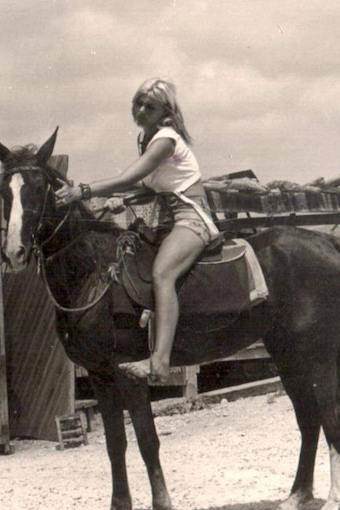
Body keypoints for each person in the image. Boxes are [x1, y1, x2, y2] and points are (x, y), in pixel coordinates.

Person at [54, 77, 219, 382]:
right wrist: (122, 202)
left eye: (150, 106)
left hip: (191, 221)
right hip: (168, 222)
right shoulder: (149, 138)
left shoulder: (165, 139)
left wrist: (83, 191)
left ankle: (159, 361)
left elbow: (129, 177)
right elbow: (148, 186)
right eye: (138, 103)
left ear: (165, 112)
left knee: (162, 273)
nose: (141, 110)